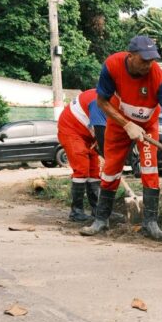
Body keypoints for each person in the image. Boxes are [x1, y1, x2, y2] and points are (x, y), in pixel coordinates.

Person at [80, 35, 162, 239]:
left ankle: (150, 223)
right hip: (119, 124)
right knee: (111, 170)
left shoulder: (158, 78)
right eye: (144, 60)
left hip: (148, 127)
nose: (149, 64)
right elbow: (102, 102)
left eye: (152, 60)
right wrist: (127, 124)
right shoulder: (112, 66)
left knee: (150, 169)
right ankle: (101, 220)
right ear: (130, 56)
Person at [57, 88, 106, 222]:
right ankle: (76, 212)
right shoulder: (98, 100)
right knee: (82, 169)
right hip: (71, 130)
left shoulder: (115, 101)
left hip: (87, 133)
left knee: (94, 171)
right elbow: (100, 129)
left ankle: (98, 211)